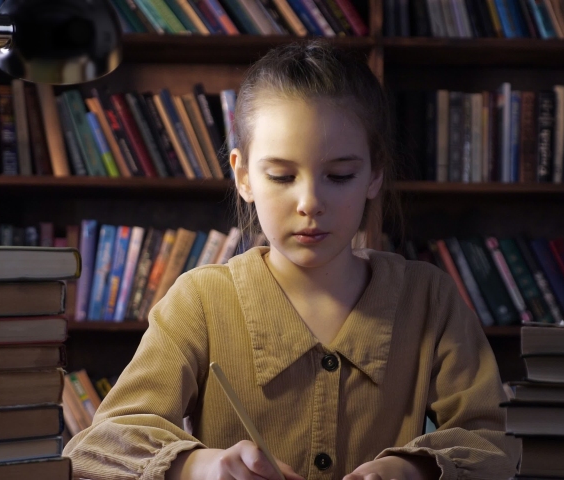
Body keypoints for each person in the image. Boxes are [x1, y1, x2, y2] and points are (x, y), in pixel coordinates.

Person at [63, 40, 521, 480]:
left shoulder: (428, 299)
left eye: (339, 175)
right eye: (282, 176)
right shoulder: (201, 300)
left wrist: (413, 468)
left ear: (375, 172)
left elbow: (495, 444)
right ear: (242, 175)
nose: (310, 202)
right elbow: (98, 448)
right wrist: (200, 467)